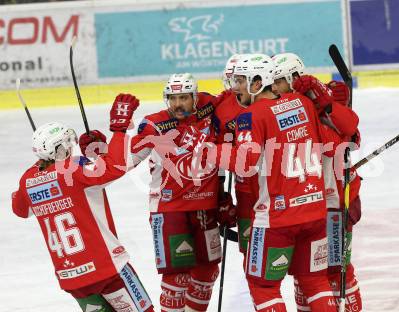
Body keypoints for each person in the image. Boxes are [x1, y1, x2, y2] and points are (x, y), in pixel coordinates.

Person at [184, 53, 342, 311]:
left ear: (258, 82)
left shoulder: (251, 115)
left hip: (277, 218)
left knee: (263, 287)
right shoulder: (301, 103)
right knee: (315, 282)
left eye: (241, 81)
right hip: (314, 210)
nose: (236, 88)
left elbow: (245, 163)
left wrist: (210, 150)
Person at [11, 94, 155, 312]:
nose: (72, 147)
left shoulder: (27, 180)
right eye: (68, 143)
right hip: (108, 269)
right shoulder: (75, 169)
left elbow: (20, 209)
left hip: (73, 280)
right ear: (60, 148)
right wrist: (119, 129)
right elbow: (117, 165)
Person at [130, 73, 230, 312]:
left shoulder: (209, 107)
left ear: (195, 97)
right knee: (177, 278)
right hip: (169, 212)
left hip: (205, 210)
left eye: (184, 97)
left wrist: (224, 196)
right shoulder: (154, 124)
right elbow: (126, 160)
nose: (178, 104)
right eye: (172, 98)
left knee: (208, 272)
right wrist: (107, 142)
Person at [272, 52, 362, 312]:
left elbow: (353, 135)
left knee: (335, 271)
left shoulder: (321, 103)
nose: (273, 87)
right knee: (305, 274)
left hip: (334, 201)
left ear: (295, 78)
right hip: (303, 204)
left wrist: (328, 103)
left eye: (279, 80)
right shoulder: (280, 108)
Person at [213, 53, 256, 258]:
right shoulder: (222, 110)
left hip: (281, 188)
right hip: (246, 190)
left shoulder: (272, 100)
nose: (235, 87)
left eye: (240, 80)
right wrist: (220, 196)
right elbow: (219, 158)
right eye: (233, 80)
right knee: (251, 256)